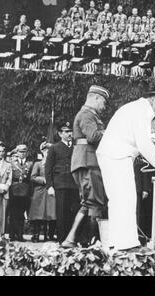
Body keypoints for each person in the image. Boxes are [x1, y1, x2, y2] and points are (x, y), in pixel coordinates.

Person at [96, 83, 155, 251]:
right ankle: (127, 244)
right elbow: (144, 143)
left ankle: (115, 243)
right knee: (126, 199)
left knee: (118, 200)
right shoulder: (142, 111)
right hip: (117, 155)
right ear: (154, 100)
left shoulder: (135, 108)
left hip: (112, 154)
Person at [62, 86, 110, 248]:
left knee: (89, 202)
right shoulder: (86, 115)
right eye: (103, 102)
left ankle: (71, 239)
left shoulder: (89, 115)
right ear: (95, 98)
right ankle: (93, 242)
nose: (104, 106)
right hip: (88, 162)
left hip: (86, 161)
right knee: (95, 202)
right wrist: (112, 133)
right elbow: (94, 136)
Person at [45, 122, 79, 243]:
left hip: (75, 185)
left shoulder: (76, 147)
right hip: (61, 185)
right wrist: (50, 186)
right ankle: (62, 239)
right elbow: (48, 168)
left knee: (75, 211)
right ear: (60, 134)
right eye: (66, 131)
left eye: (70, 131)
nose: (69, 133)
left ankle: (73, 239)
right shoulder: (54, 148)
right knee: (62, 213)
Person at [29, 141, 56, 242]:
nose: (47, 153)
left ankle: (50, 234)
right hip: (40, 191)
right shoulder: (38, 164)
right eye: (45, 151)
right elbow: (32, 177)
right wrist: (43, 180)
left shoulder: (55, 164)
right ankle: (36, 234)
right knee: (38, 214)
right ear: (42, 152)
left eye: (50, 151)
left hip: (51, 191)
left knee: (52, 214)